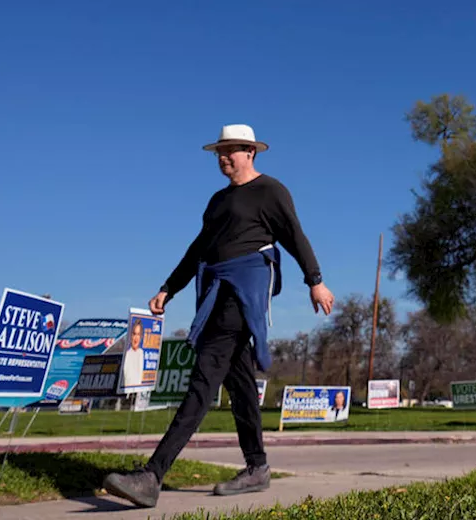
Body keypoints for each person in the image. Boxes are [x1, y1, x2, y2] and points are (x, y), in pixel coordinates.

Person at [103, 124, 334, 508]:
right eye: (219, 152)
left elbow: (295, 235)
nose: (224, 157)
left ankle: (152, 475)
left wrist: (316, 281)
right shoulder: (217, 201)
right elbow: (198, 249)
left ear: (250, 152)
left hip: (242, 295)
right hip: (214, 291)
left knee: (203, 378)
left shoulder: (270, 191)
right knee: (239, 383)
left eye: (232, 150)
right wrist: (168, 288)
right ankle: (257, 467)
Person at [120, 318, 145, 389]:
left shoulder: (141, 353)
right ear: (130, 336)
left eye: (138, 334)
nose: (136, 338)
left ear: (141, 337)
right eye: (134, 334)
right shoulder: (127, 355)